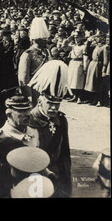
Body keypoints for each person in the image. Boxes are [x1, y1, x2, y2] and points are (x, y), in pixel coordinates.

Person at [27, 60, 73, 197]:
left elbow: (65, 153)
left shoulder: (61, 120)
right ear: (40, 101)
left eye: (57, 104)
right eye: (50, 103)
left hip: (57, 178)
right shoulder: (29, 120)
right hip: (36, 178)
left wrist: (66, 179)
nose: (54, 108)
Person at [18, 17, 50, 107]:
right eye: (43, 40)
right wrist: (28, 94)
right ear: (36, 40)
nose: (45, 42)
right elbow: (23, 77)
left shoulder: (46, 52)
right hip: (34, 89)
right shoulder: (28, 54)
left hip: (45, 87)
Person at [84, 34, 108, 106]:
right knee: (93, 84)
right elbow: (86, 50)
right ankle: (94, 99)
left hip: (98, 66)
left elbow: (105, 60)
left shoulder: (105, 47)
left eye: (99, 38)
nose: (97, 39)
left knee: (99, 84)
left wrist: (103, 69)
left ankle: (99, 101)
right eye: (97, 38)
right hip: (93, 65)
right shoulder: (95, 46)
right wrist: (89, 41)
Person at [67, 32, 88, 103]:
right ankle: (74, 96)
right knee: (72, 81)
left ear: (81, 37)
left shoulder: (84, 46)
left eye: (78, 37)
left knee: (78, 81)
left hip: (79, 64)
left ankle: (79, 97)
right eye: (75, 37)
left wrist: (85, 67)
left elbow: (85, 57)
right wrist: (71, 36)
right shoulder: (73, 45)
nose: (76, 38)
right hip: (72, 63)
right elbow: (65, 45)